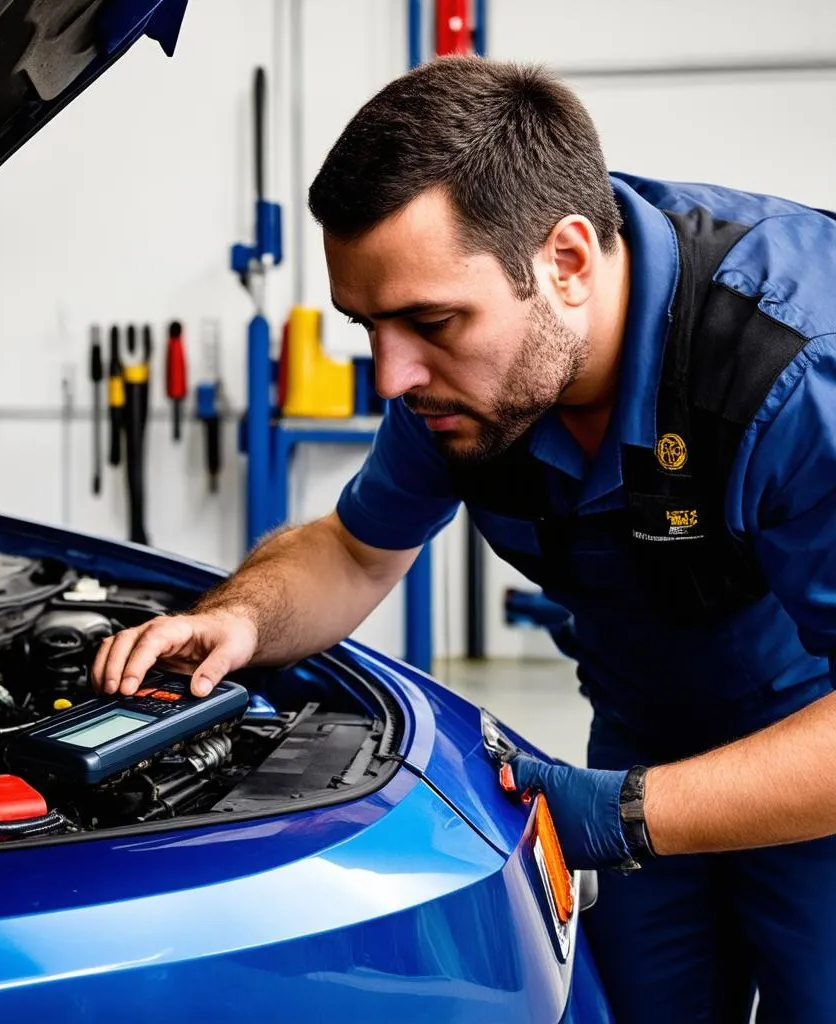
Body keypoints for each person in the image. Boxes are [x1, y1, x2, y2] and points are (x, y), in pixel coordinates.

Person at [92, 56, 836, 1023]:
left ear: (565, 261)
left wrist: (620, 814)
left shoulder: (794, 366)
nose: (392, 375)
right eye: (369, 326)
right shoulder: (466, 384)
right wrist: (239, 619)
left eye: (430, 321)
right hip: (634, 735)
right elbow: (358, 550)